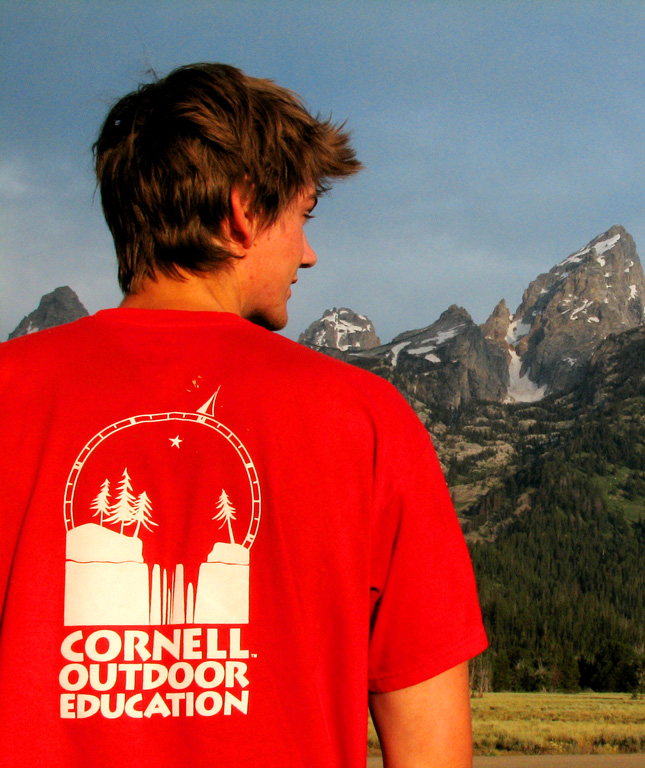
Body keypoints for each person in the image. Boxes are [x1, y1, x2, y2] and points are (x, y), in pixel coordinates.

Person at [0, 62, 487, 768]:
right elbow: (431, 751)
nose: (309, 253)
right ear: (242, 213)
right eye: (303, 214)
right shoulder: (368, 421)